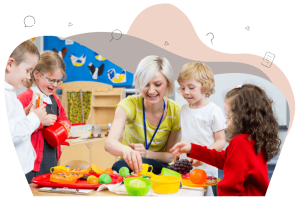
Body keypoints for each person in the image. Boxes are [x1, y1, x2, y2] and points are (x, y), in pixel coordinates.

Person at [170, 84, 281, 197]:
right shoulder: (254, 139)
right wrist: (192, 148)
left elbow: (231, 187)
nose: (226, 122)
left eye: (229, 117)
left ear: (244, 118)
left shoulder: (241, 142)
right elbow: (225, 160)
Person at [105, 55, 181, 175]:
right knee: (118, 166)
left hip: (159, 167)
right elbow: (109, 143)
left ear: (167, 83)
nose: (151, 91)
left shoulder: (176, 112)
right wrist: (127, 151)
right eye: (146, 84)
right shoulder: (129, 104)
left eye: (157, 84)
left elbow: (170, 157)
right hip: (130, 166)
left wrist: (146, 154)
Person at [17, 50, 71, 184]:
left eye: (59, 81)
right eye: (51, 80)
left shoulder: (55, 100)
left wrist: (64, 126)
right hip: (31, 167)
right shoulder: (25, 98)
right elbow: (17, 131)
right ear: (36, 74)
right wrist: (40, 123)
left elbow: (65, 120)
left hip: (51, 161)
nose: (55, 85)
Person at [177, 61, 226, 197]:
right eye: (182, 88)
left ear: (205, 87)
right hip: (186, 168)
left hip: (207, 170)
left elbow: (221, 141)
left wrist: (203, 157)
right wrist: (178, 151)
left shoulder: (214, 111)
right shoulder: (183, 109)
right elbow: (185, 134)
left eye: (191, 87)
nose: (185, 92)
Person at [4, 39, 47, 178]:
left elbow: (12, 122)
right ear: (9, 64)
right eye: (27, 71)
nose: (28, 77)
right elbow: (13, 133)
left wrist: (25, 114)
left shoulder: (10, 93)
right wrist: (35, 118)